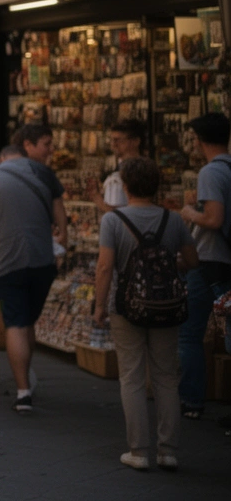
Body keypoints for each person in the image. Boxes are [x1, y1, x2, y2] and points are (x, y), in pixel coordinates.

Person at [94, 156, 198, 471]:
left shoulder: (113, 221)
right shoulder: (174, 220)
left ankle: (138, 451)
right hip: (166, 305)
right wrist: (168, 266)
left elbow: (104, 267)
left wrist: (99, 306)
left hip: (127, 306)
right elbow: (192, 261)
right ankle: (168, 450)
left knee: (132, 376)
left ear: (125, 187)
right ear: (157, 186)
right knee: (166, 376)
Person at [0, 124, 66, 413]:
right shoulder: (43, 173)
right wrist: (64, 241)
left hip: (5, 263)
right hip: (41, 260)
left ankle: (23, 390)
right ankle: (28, 374)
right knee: (28, 322)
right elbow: (60, 213)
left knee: (15, 322)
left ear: (0, 159)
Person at [176, 112, 231, 420]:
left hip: (211, 258)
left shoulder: (211, 172)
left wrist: (188, 212)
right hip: (225, 260)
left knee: (189, 332)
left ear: (198, 140)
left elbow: (213, 219)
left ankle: (192, 400)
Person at [94, 119, 144, 213]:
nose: (113, 145)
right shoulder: (121, 167)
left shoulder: (141, 170)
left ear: (135, 141)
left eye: (118, 140)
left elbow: (120, 214)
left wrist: (98, 200)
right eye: (112, 140)